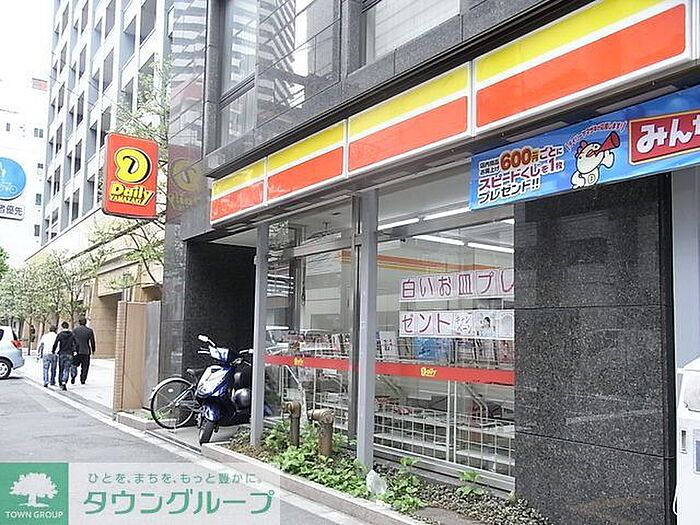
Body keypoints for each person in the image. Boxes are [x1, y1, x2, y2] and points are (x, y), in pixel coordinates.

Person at [52, 321, 76, 391]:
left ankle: (60, 382)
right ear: (68, 327)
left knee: (61, 369)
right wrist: (75, 351)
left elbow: (55, 344)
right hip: (69, 353)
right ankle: (64, 381)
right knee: (67, 369)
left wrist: (53, 351)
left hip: (62, 353)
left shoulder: (60, 335)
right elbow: (76, 343)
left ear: (62, 327)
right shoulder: (72, 334)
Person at [71, 317, 96, 385]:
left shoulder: (75, 330)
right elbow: (92, 341)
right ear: (85, 322)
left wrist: (72, 349)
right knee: (85, 367)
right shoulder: (89, 331)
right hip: (86, 351)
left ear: (79, 322)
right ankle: (83, 379)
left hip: (77, 351)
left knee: (74, 364)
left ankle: (73, 375)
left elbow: (72, 340)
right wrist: (93, 349)